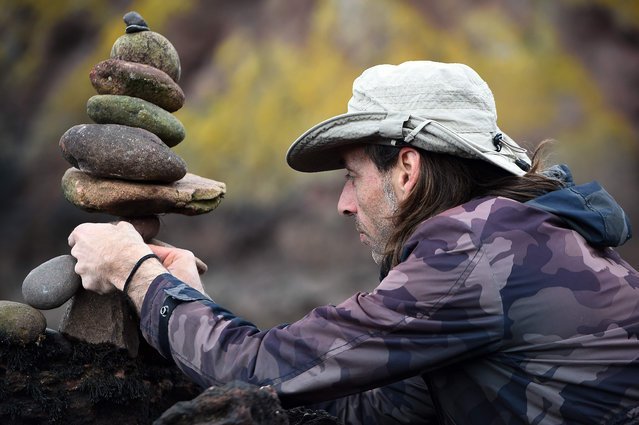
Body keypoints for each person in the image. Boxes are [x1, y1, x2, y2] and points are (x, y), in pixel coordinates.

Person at [68, 61, 639, 424]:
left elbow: (259, 368)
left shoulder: (475, 251)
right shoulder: (517, 235)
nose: (344, 203)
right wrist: (188, 299)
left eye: (351, 174)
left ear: (406, 169)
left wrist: (135, 272)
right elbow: (379, 405)